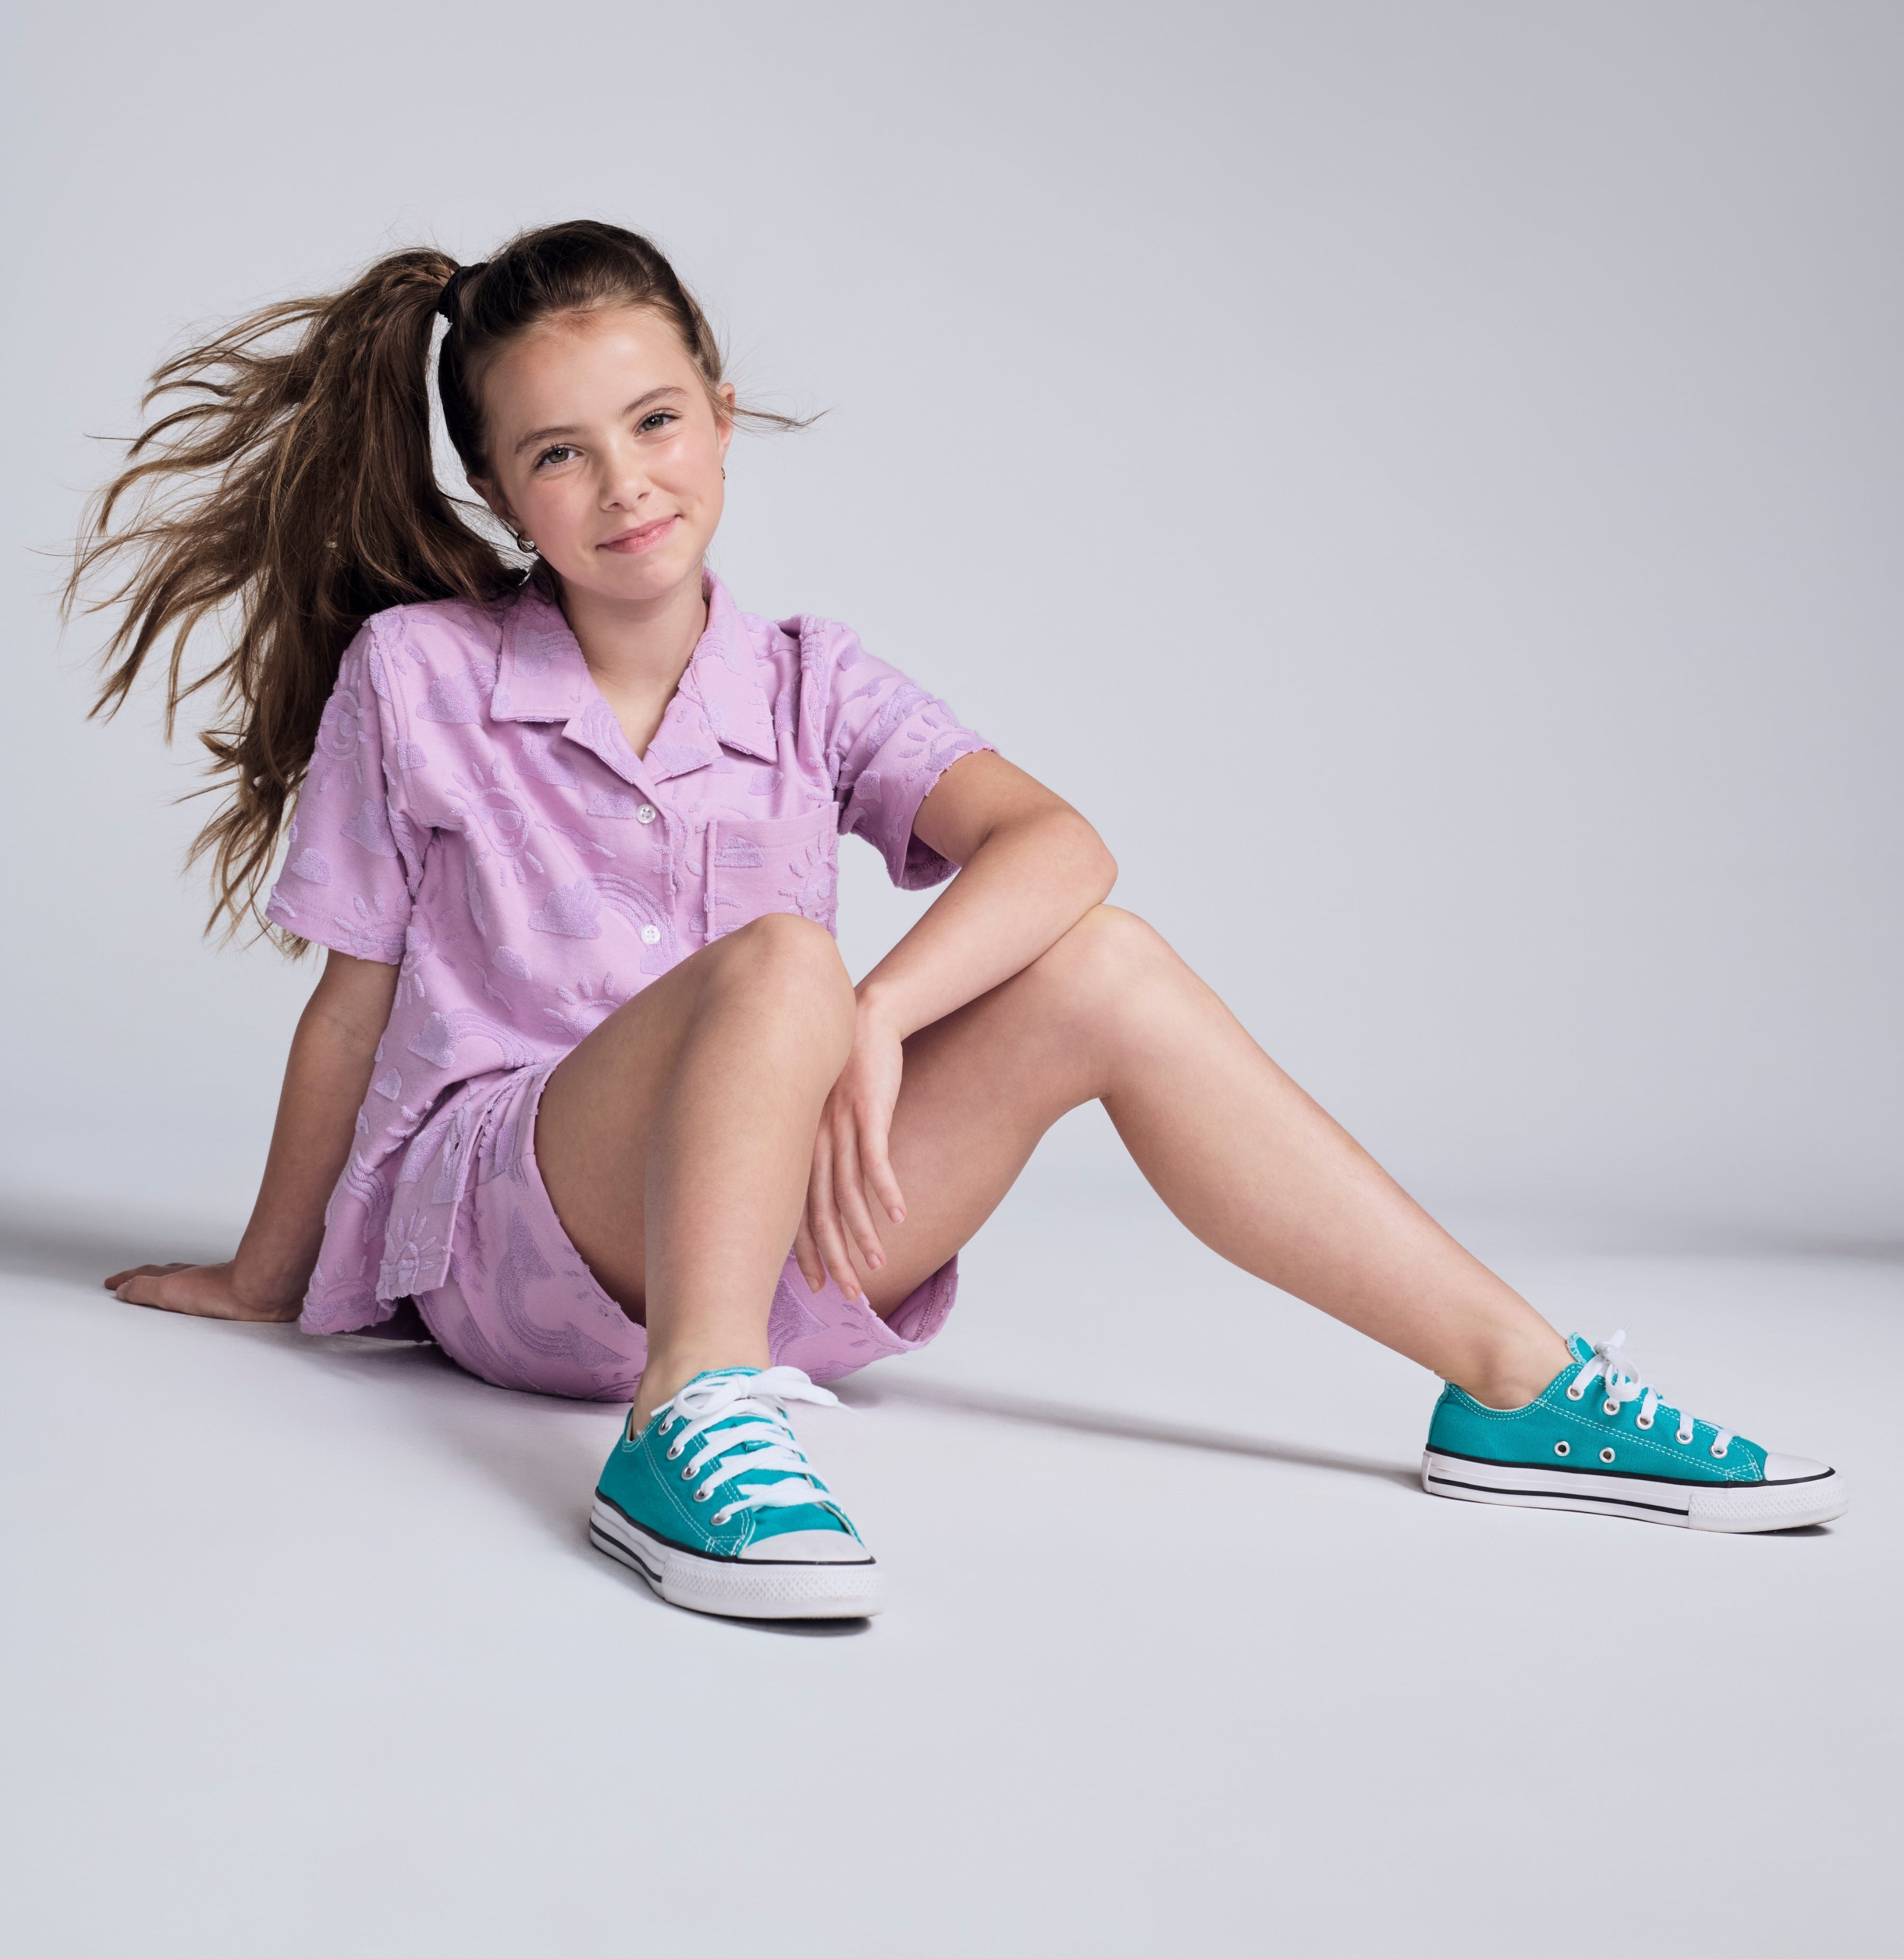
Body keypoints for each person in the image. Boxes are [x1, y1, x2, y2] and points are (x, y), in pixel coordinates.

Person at [69, 220, 1846, 1621]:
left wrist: (888, 1017)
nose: (625, 485)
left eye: (656, 420)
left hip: (800, 1250)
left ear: (721, 407)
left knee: (1105, 962)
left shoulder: (807, 677)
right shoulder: (425, 673)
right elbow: (355, 1003)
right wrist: (263, 1271)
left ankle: (1511, 1381)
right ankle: (683, 1421)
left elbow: (1063, 844)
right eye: (559, 453)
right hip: (526, 1242)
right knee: (782, 954)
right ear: (500, 491)